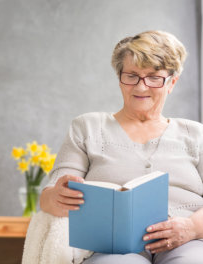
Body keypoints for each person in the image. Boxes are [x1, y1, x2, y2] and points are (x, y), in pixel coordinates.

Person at [40, 30, 203, 264]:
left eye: (154, 77)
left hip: (188, 242)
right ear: (119, 78)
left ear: (172, 82)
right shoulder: (86, 127)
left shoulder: (196, 134)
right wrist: (58, 196)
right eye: (132, 76)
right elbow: (47, 198)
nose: (141, 87)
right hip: (112, 247)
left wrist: (191, 228)